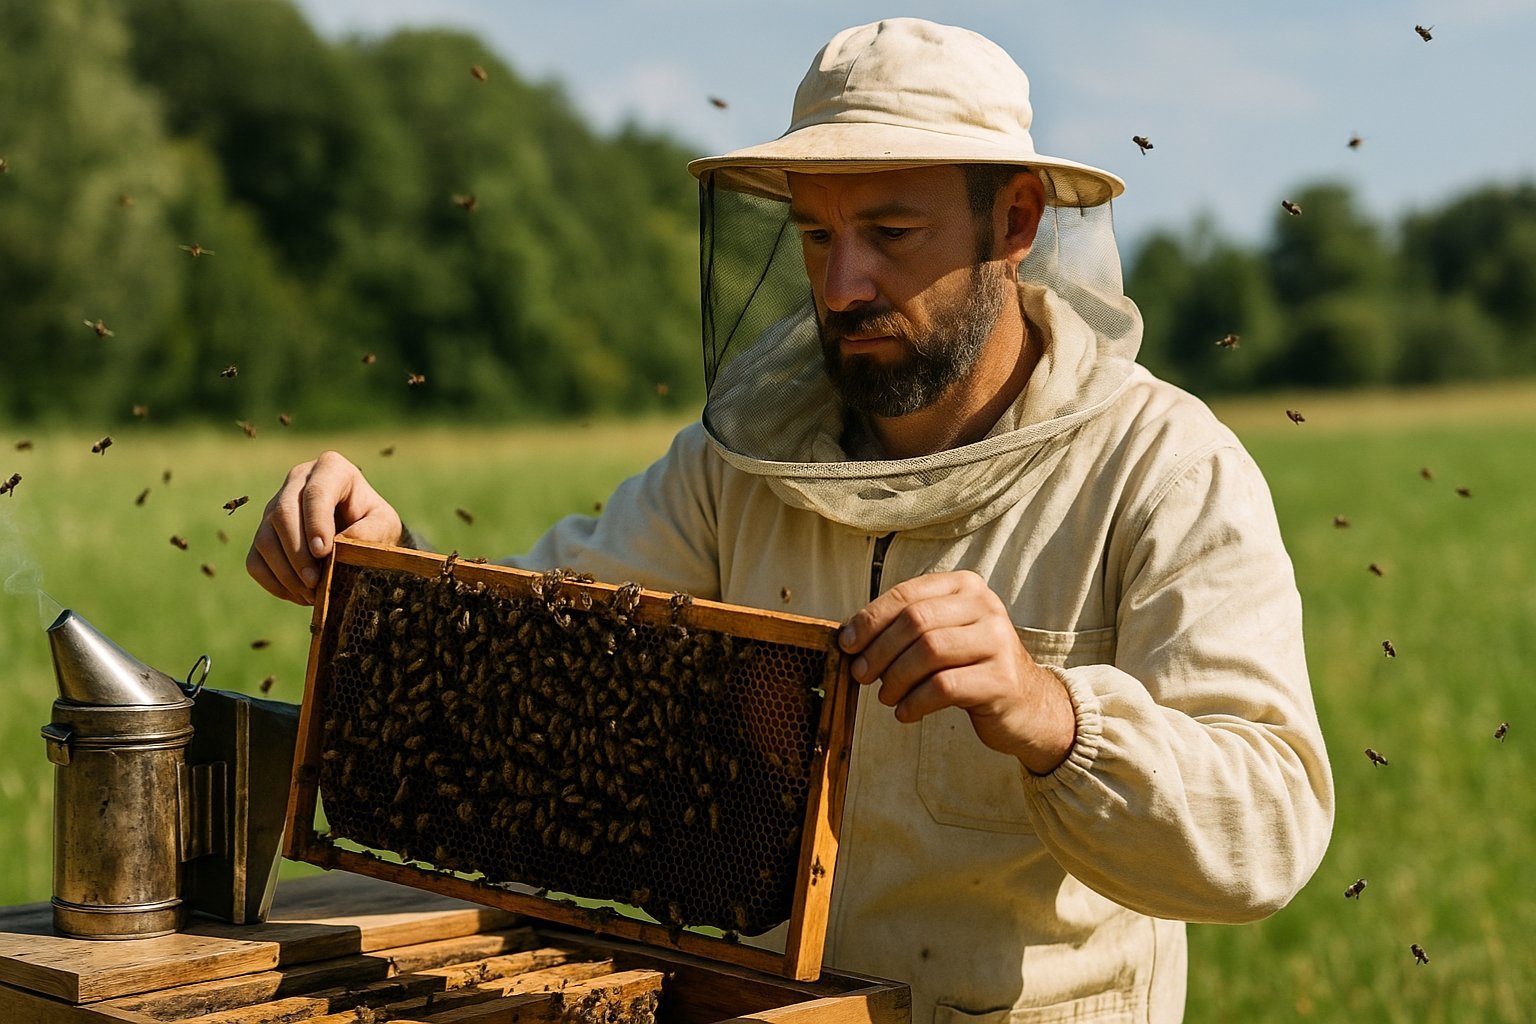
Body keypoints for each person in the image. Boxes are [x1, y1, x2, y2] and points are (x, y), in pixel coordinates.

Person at [249, 18, 1333, 1024]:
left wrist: (1049, 714)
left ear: (1014, 223)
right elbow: (545, 648)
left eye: (891, 231)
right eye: (817, 236)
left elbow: (1272, 828)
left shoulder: (1163, 468)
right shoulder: (743, 461)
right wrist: (384, 573)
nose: (843, 283)